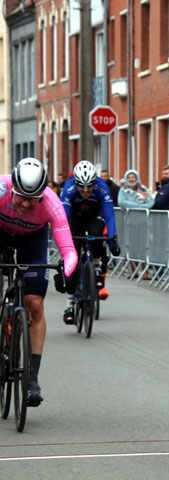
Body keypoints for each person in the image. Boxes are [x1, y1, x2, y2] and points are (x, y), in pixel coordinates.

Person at [0, 158, 78, 406]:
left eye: (32, 199)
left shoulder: (52, 203)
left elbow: (69, 250)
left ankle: (32, 378)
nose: (24, 203)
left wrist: (67, 271)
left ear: (42, 196)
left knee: (34, 304)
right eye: (21, 196)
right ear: (12, 189)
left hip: (33, 239)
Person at [60, 161, 121, 321]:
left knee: (96, 235)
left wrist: (113, 241)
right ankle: (70, 304)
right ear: (76, 183)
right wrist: (64, 243)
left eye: (89, 187)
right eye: (82, 187)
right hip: (74, 218)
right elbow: (63, 219)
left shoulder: (102, 188)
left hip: (95, 215)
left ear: (95, 182)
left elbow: (109, 216)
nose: (86, 191)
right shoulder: (69, 189)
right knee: (73, 255)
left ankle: (97, 268)